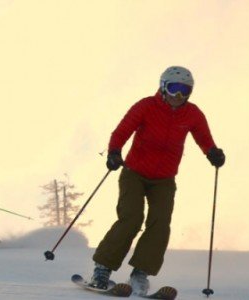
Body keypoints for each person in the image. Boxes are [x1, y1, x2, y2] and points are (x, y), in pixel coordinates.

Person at [88, 66, 226, 294]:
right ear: (163, 87)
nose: (178, 96)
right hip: (134, 172)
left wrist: (212, 152)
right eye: (174, 88)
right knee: (131, 218)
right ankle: (102, 268)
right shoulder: (146, 106)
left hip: (164, 179)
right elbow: (122, 131)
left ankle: (140, 273)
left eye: (184, 90)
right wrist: (114, 152)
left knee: (160, 223)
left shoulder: (192, 113)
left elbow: (204, 137)